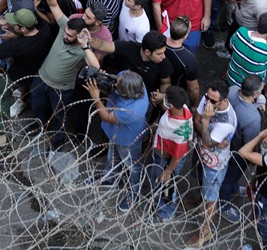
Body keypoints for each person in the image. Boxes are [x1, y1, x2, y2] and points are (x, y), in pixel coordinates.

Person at [30, 0, 98, 149]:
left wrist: (85, 45)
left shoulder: (83, 49)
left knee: (60, 116)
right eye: (65, 32)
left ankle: (58, 141)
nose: (65, 35)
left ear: (79, 36)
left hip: (61, 90)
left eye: (69, 35)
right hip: (41, 79)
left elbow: (95, 66)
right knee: (37, 106)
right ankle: (38, 125)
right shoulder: (65, 26)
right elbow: (54, 5)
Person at [85, 70, 149, 212]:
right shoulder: (133, 80)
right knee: (113, 156)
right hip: (115, 133)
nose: (115, 83)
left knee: (132, 165)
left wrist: (96, 97)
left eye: (117, 84)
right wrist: (102, 76)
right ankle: (110, 177)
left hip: (127, 140)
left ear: (126, 92)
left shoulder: (131, 110)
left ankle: (134, 192)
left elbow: (107, 117)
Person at [0, 8, 52, 118]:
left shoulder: (17, 46)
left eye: (14, 25)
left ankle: (0, 128)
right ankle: (23, 99)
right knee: (26, 85)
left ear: (23, 29)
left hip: (16, 75)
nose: (10, 25)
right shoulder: (45, 29)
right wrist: (15, 34)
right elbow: (30, 35)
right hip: (36, 70)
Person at [190, 81, 237, 248]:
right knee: (199, 181)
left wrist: (205, 121)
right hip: (201, 152)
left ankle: (205, 231)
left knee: (211, 198)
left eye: (212, 101)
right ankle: (200, 205)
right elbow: (196, 120)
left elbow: (208, 142)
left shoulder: (226, 122)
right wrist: (205, 129)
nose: (207, 103)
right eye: (207, 98)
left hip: (214, 164)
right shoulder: (208, 99)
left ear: (223, 101)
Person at [217, 75, 263, 223]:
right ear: (255, 94)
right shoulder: (253, 118)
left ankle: (234, 188)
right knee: (229, 177)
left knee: (229, 175)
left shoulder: (232, 90)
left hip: (225, 141)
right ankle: (223, 205)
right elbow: (250, 143)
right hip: (238, 150)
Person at [148, 86, 193, 220]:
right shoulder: (182, 108)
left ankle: (166, 213)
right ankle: (156, 202)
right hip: (162, 154)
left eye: (165, 98)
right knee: (158, 183)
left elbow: (178, 155)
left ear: (171, 105)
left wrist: (168, 171)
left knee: (166, 187)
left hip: (167, 160)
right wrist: (162, 97)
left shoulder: (179, 130)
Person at [163, 15, 200, 107]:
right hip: (175, 95)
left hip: (157, 86)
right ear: (185, 35)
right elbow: (193, 89)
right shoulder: (188, 59)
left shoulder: (158, 42)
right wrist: (194, 106)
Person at [226, 13, 267, 87]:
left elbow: (230, 46)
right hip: (249, 89)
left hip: (231, 78)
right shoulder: (265, 50)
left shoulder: (240, 31)